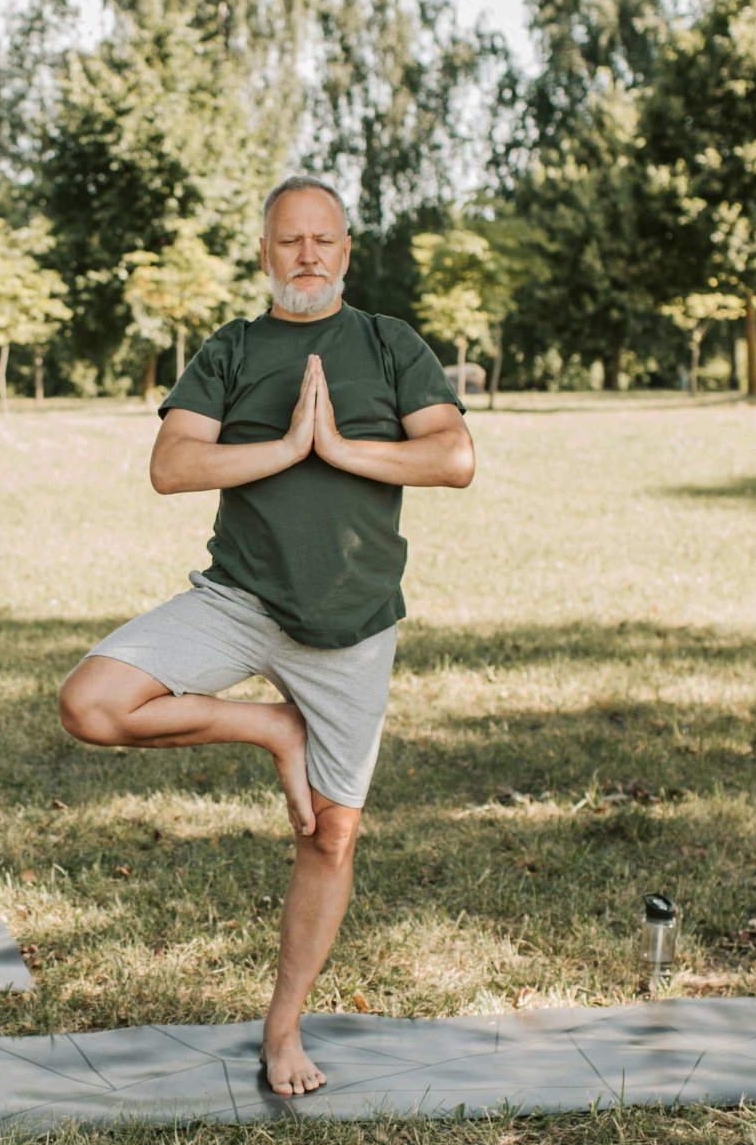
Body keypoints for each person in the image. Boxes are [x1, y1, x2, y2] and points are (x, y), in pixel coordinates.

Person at [57, 176, 474, 1096]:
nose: (308, 256)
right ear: (265, 253)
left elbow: (453, 456)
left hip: (352, 627)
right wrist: (284, 448)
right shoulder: (234, 349)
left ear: (347, 252)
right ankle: (271, 727)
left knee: (330, 836)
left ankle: (282, 1029)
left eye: (324, 240)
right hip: (240, 599)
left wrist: (338, 447)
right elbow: (173, 464)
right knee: (90, 701)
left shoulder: (388, 343)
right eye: (291, 241)